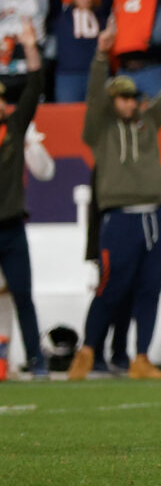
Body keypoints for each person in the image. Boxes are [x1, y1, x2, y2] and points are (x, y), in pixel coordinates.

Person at [67, 18, 161, 380]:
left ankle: (141, 356)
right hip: (120, 218)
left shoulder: (148, 123)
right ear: (113, 100)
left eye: (133, 97)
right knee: (111, 287)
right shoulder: (99, 129)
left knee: (150, 288)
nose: (131, 103)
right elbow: (93, 97)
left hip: (155, 216)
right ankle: (87, 350)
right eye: (124, 97)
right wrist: (101, 55)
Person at [0, 23, 46, 377]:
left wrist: (31, 48)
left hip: (12, 225)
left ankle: (36, 359)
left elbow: (34, 88)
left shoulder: (14, 128)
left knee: (23, 296)